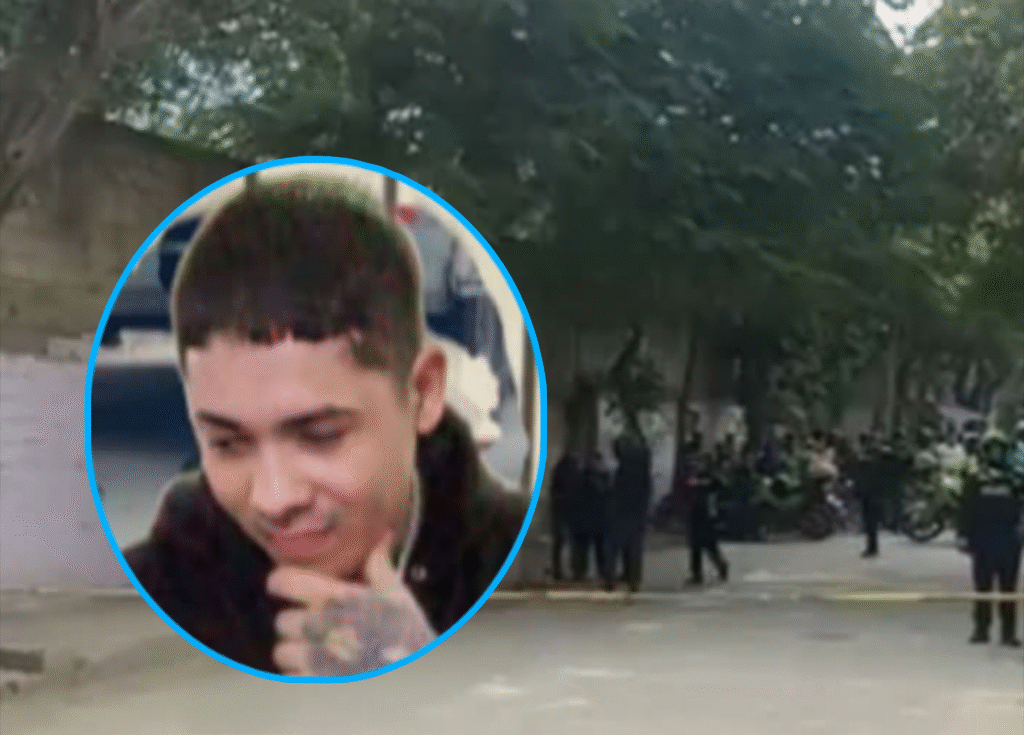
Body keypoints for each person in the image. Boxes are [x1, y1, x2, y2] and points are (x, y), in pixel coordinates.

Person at [121, 178, 529, 676]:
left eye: (321, 436)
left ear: (423, 392)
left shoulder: (519, 565)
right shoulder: (159, 588)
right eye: (227, 443)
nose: (274, 500)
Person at [959, 434, 1023, 648]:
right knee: (982, 587)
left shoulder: (1014, 478)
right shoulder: (975, 478)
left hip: (1008, 540)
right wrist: (963, 535)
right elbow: (966, 508)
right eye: (992, 449)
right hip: (983, 539)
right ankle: (981, 629)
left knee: (1008, 589)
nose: (996, 453)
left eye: (999, 449)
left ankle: (1008, 633)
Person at [609, 430, 654, 592]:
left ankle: (614, 578)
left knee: (617, 545)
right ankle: (633, 577)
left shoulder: (626, 468)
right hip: (636, 511)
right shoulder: (643, 467)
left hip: (624, 510)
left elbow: (617, 490)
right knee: (633, 547)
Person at [683, 453, 730, 586]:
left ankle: (721, 565)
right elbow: (686, 491)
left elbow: (721, 488)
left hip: (707, 515)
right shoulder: (692, 477)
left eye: (702, 463)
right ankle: (696, 574)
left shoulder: (712, 479)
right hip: (695, 513)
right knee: (695, 546)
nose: (699, 465)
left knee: (710, 544)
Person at [569, 451, 613, 585]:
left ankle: (602, 572)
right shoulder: (583, 477)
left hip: (598, 518)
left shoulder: (604, 477)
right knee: (583, 547)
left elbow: (609, 497)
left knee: (600, 548)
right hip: (585, 518)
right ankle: (580, 571)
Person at [549, 448, 583, 582]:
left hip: (563, 508)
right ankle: (575, 570)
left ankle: (559, 569)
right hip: (571, 508)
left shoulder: (560, 469)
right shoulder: (575, 470)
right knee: (571, 541)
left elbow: (554, 489)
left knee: (560, 541)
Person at [853, 435, 886, 558]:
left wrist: (857, 492)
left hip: (868, 495)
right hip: (874, 494)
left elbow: (859, 479)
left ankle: (872, 547)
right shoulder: (878, 462)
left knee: (869, 522)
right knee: (872, 523)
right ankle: (873, 547)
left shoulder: (864, 463)